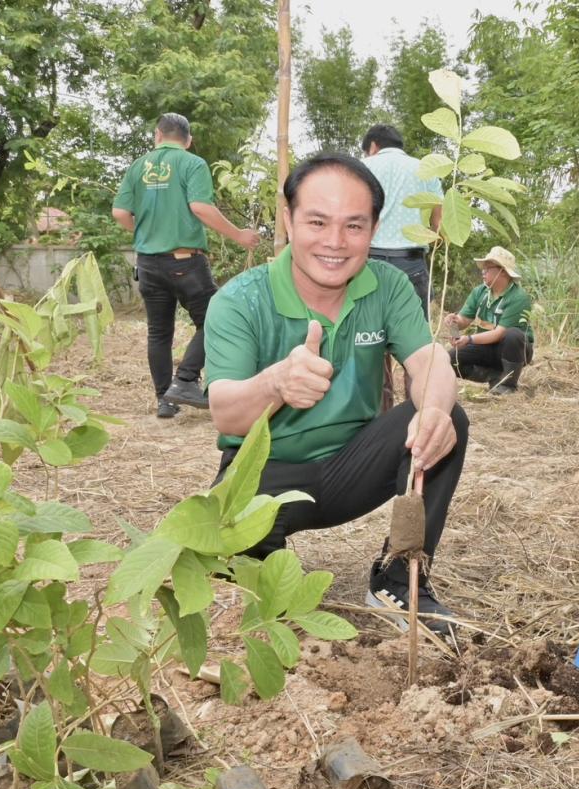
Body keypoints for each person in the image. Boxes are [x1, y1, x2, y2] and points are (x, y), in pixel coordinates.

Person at [205, 152, 469, 636]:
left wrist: (433, 409)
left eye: (354, 225)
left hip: (353, 467)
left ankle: (399, 577)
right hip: (266, 478)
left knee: (446, 415)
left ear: (374, 229)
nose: (334, 242)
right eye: (317, 222)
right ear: (288, 219)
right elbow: (224, 413)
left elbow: (427, 360)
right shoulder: (240, 300)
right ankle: (260, 562)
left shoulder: (388, 285)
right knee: (255, 604)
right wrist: (276, 383)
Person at [113, 113, 260, 419]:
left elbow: (120, 213)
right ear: (188, 140)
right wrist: (239, 235)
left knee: (159, 332)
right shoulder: (193, 164)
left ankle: (165, 401)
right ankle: (185, 379)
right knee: (219, 318)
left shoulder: (138, 167)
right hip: (184, 262)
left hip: (148, 263)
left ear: (157, 135)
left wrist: (147, 232)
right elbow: (200, 207)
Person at [360, 124, 443, 315]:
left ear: (373, 146)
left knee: (365, 330)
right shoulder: (425, 170)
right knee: (414, 335)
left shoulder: (362, 168)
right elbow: (439, 223)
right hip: (411, 262)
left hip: (367, 261)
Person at [445, 246, 535, 396]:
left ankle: (507, 384)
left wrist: (469, 339)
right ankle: (495, 377)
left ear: (503, 271)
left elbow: (499, 334)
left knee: (513, 335)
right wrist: (454, 322)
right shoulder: (479, 292)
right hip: (484, 345)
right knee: (448, 360)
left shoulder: (519, 297)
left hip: (513, 349)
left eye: (488, 268)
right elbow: (464, 319)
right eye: (483, 268)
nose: (483, 271)